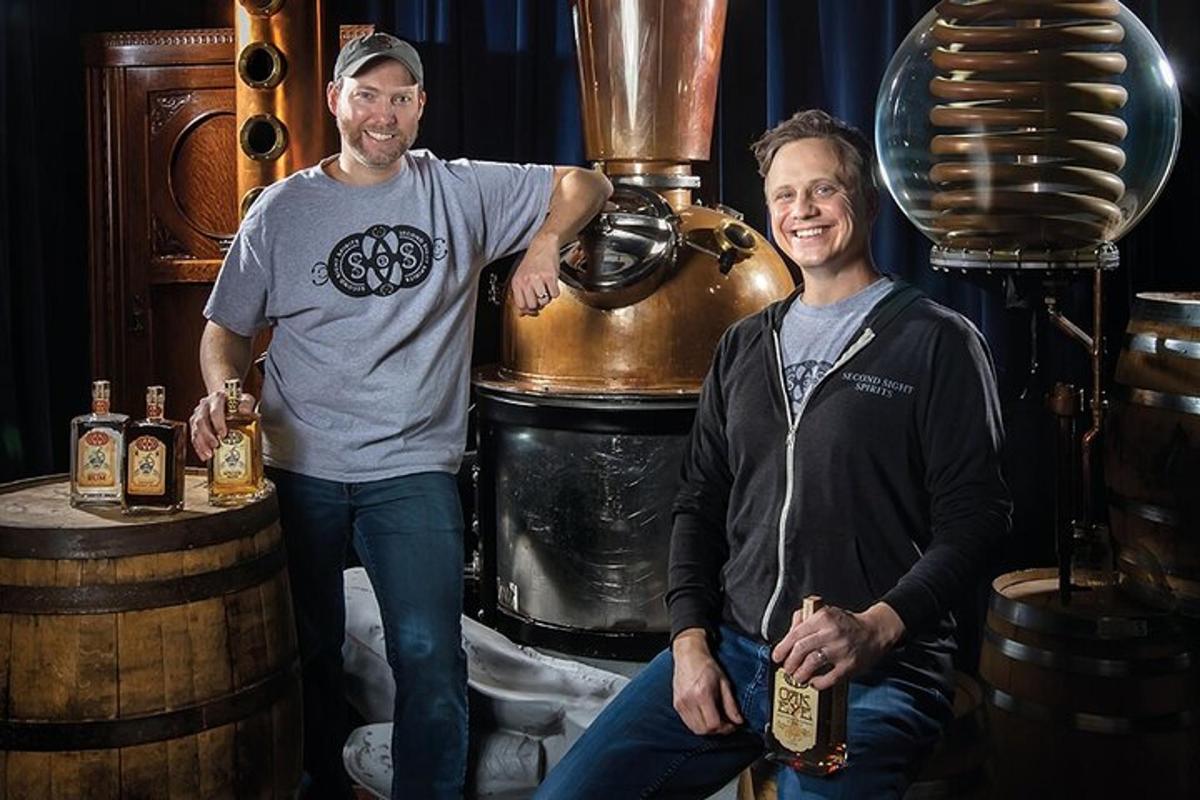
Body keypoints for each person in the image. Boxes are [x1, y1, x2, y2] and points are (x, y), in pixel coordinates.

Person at [534, 109, 1010, 799]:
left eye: (824, 190)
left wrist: (876, 629)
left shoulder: (937, 342)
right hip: (731, 652)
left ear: (867, 204)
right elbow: (699, 503)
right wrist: (690, 642)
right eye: (784, 196)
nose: (802, 211)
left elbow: (978, 521)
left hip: (873, 674)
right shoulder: (745, 344)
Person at [189, 32, 611, 800]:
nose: (382, 115)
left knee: (429, 658)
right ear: (335, 102)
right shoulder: (284, 210)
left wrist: (544, 244)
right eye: (366, 96)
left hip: (410, 468)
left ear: (420, 107)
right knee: (304, 654)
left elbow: (586, 184)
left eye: (399, 98)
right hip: (297, 463)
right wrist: (221, 389)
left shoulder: (458, 189)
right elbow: (226, 329)